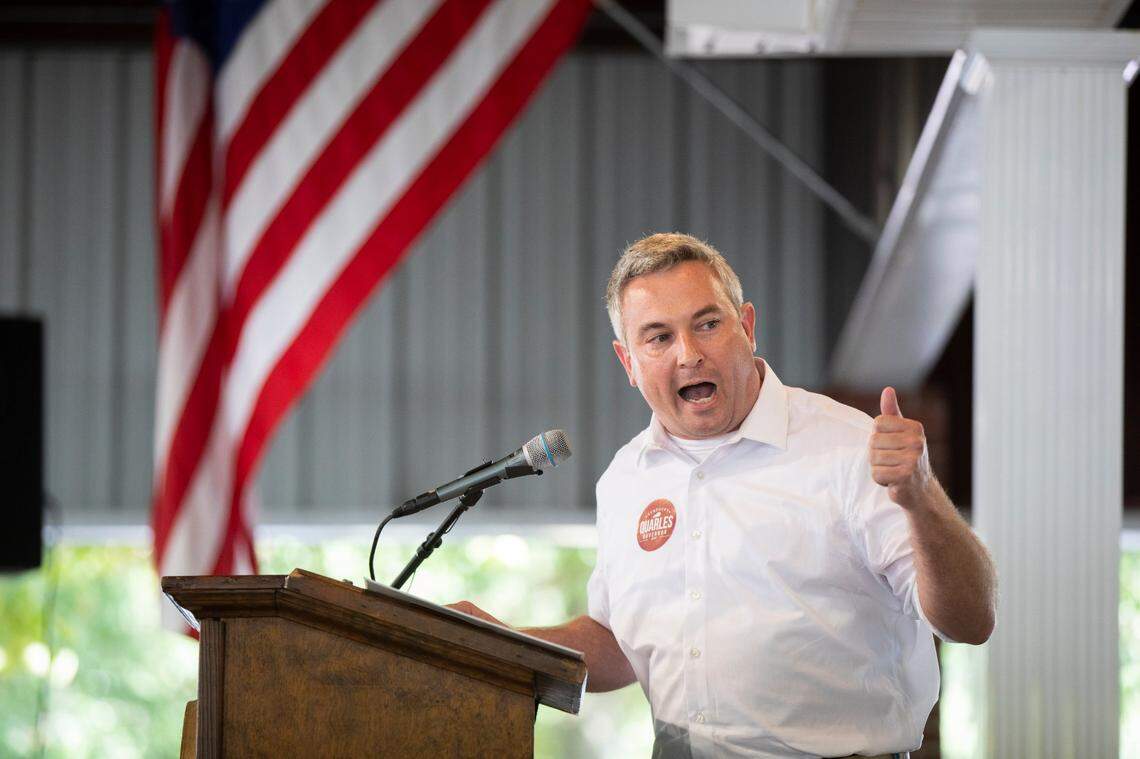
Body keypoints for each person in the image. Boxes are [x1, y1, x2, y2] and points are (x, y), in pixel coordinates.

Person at [450, 233, 996, 759]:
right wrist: (504, 642)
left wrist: (921, 498)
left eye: (707, 324)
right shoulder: (625, 478)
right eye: (659, 337)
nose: (688, 354)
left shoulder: (850, 447)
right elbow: (622, 644)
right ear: (629, 364)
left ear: (748, 326)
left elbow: (970, 622)